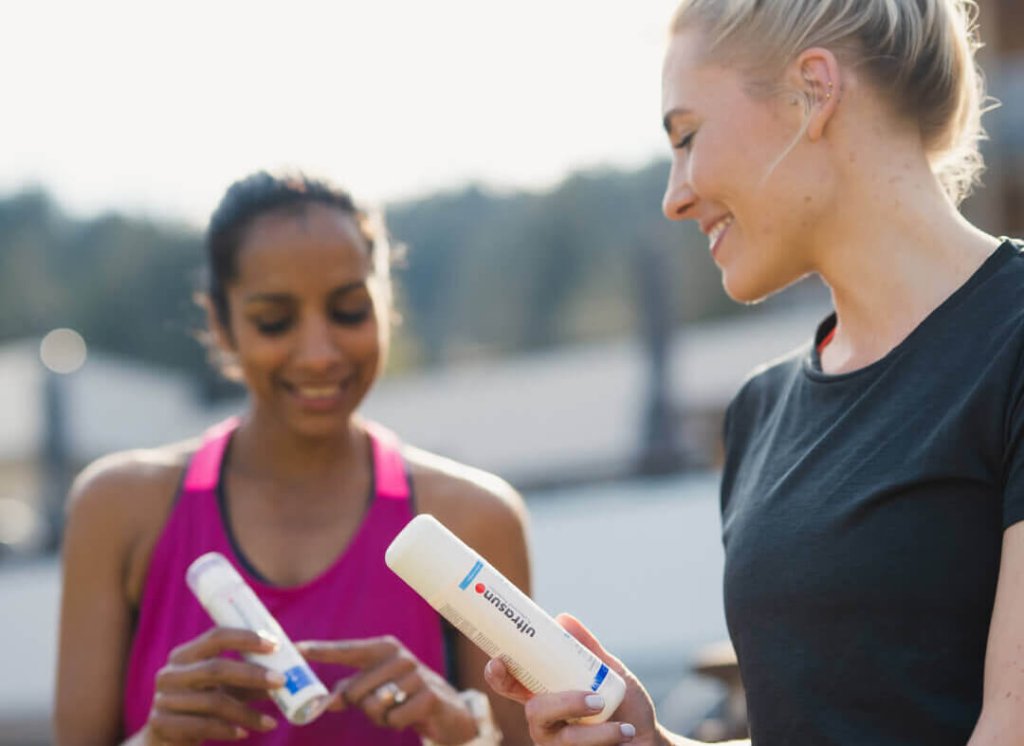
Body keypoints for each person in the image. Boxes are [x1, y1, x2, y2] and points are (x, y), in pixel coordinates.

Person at [485, 0, 1024, 744]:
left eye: (687, 137)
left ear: (813, 90)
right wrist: (650, 740)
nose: (675, 196)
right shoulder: (762, 412)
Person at [54, 171, 532, 746]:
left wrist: (462, 733)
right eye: (274, 321)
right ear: (220, 325)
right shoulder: (118, 509)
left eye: (350, 311)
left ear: (385, 307)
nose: (318, 353)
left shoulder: (474, 519)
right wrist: (156, 739)